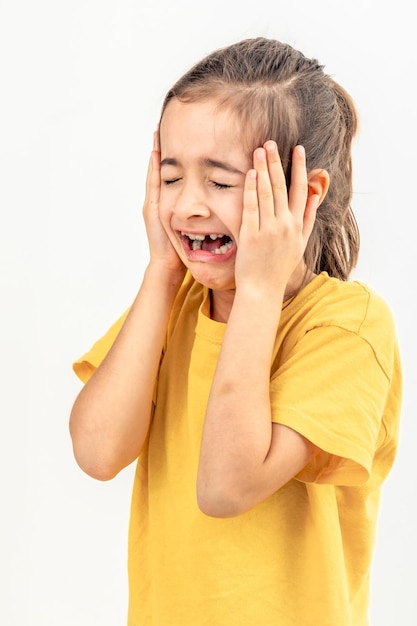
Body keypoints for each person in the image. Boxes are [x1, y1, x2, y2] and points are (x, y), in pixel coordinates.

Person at [69, 37, 402, 626]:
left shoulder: (346, 327)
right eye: (171, 178)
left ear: (305, 196)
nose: (189, 206)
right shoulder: (174, 303)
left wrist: (257, 289)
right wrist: (161, 270)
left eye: (220, 183)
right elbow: (98, 452)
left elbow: (225, 489)